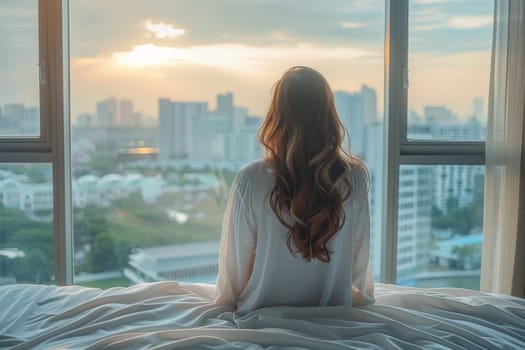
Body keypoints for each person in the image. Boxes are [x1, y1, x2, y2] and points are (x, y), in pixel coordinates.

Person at [215, 66, 374, 314]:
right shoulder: (356, 176)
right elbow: (358, 263)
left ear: (277, 116)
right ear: (329, 115)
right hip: (333, 315)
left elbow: (233, 273)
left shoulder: (251, 178)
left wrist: (228, 302)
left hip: (261, 314)